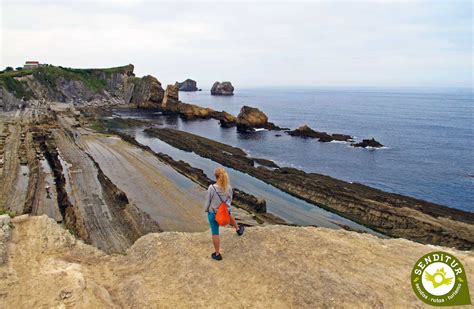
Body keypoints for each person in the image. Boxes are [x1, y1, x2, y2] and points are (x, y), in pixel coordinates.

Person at [204, 167, 245, 261]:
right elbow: (229, 201)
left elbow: (207, 201)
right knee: (230, 215)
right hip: (225, 212)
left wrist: (207, 210)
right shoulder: (229, 188)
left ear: (216, 176)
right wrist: (226, 208)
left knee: (215, 233)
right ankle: (238, 230)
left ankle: (217, 254)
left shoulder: (212, 188)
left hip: (213, 213)